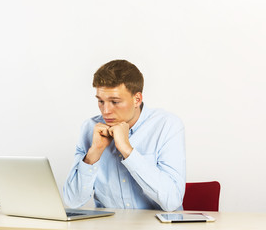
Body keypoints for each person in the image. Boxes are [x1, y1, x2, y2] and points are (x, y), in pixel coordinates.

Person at [63, 60, 186, 211]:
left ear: (137, 99)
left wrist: (127, 150)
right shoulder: (90, 129)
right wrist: (94, 152)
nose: (105, 110)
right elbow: (72, 201)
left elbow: (172, 201)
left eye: (114, 102)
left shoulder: (167, 125)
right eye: (101, 101)